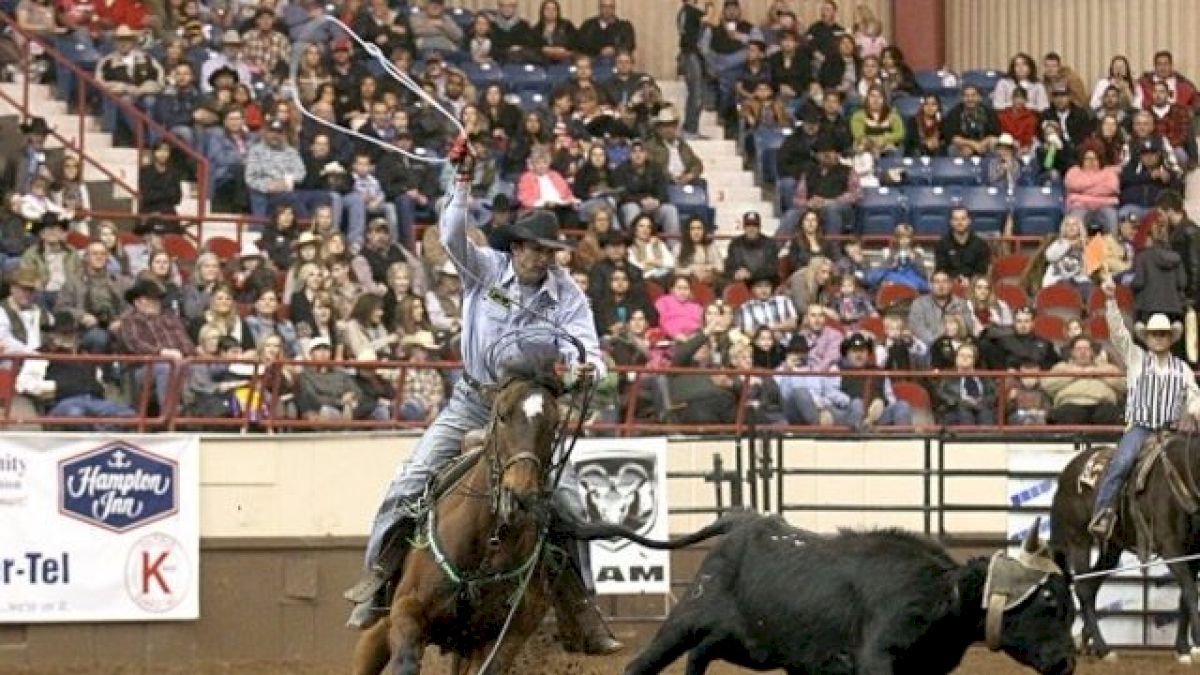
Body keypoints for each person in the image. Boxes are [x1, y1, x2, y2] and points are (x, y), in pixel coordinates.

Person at [346, 138, 620, 657]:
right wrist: (461, 180)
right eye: (536, 249)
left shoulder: (567, 296)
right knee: (408, 481)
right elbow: (450, 235)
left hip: (529, 413)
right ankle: (379, 583)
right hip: (472, 400)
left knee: (568, 500)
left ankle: (579, 608)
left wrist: (590, 369)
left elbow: (593, 351)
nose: (544, 259)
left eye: (550, 252)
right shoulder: (485, 271)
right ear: (514, 248)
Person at [1089, 276, 1200, 540]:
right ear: (1148, 337)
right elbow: (1117, 333)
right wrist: (1110, 300)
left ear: (1170, 338)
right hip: (1140, 428)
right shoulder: (1136, 358)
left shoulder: (1182, 369)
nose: (1159, 339)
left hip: (1171, 432)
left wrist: (1195, 411)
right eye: (1154, 335)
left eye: (1163, 334)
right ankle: (1103, 512)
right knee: (1122, 462)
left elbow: (1194, 396)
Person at [1044, 336, 1124, 426]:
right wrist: (1074, 374)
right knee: (1069, 414)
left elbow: (1124, 386)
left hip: (1103, 404)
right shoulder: (1061, 367)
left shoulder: (1108, 367)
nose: (1083, 352)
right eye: (1078, 349)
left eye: (1086, 349)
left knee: (1110, 413)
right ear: (1072, 352)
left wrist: (1098, 373)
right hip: (1071, 403)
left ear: (1092, 351)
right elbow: (1048, 386)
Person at [934, 207, 991, 285]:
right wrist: (954, 280)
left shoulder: (981, 245)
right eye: (956, 219)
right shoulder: (942, 244)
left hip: (974, 287)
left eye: (963, 219)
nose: (959, 222)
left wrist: (970, 281)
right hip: (948, 285)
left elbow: (981, 272)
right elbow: (941, 270)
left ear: (969, 221)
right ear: (951, 222)